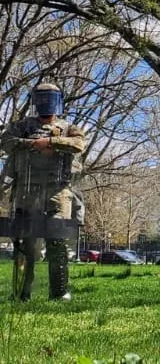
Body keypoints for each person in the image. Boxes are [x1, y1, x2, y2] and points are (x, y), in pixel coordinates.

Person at [1, 83, 85, 301]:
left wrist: (51, 141)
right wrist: (33, 144)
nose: (47, 102)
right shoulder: (22, 126)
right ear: (35, 101)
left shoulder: (68, 127)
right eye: (43, 98)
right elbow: (6, 142)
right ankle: (22, 292)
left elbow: (78, 144)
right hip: (27, 190)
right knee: (25, 243)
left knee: (57, 241)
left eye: (51, 98)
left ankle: (59, 293)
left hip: (58, 191)